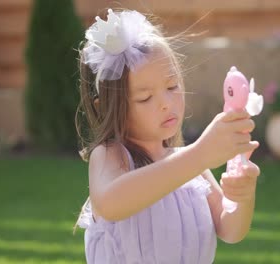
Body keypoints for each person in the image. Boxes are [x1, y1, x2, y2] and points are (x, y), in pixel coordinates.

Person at [74, 8, 261, 264]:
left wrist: (242, 197)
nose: (165, 103)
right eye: (145, 97)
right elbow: (110, 203)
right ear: (108, 107)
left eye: (172, 86)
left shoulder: (192, 167)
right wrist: (201, 153)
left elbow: (230, 230)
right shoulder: (111, 156)